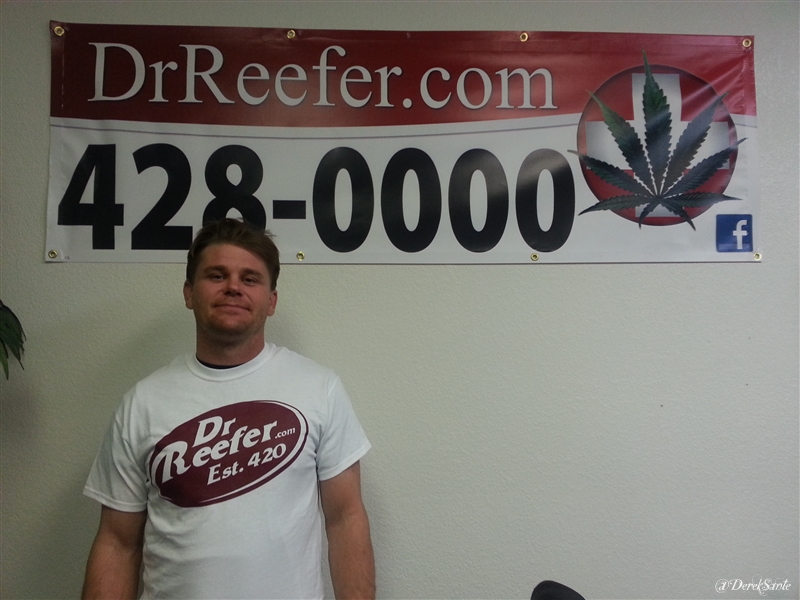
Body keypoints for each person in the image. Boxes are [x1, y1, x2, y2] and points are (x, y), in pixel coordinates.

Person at [82, 218, 375, 599]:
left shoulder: (319, 389)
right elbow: (117, 543)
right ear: (189, 292)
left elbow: (345, 519)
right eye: (216, 275)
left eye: (250, 279)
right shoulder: (143, 403)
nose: (233, 287)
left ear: (271, 301)